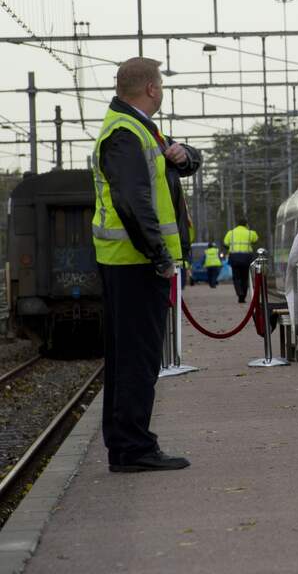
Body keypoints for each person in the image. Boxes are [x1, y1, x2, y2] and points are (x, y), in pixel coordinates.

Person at [92, 56, 199, 473]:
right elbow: (133, 202)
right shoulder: (125, 133)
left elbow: (184, 163)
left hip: (129, 263)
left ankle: (126, 444)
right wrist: (160, 257)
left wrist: (184, 155)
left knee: (129, 358)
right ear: (152, 89)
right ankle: (134, 448)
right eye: (161, 85)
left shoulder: (140, 129)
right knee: (138, 359)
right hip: (135, 263)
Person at [224, 217, 259, 303]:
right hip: (246, 257)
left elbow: (225, 243)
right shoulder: (250, 233)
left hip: (234, 257)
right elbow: (256, 240)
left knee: (236, 277)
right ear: (246, 224)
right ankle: (243, 296)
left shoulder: (231, 233)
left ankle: (239, 293)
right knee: (245, 277)